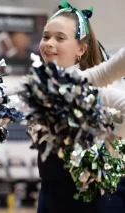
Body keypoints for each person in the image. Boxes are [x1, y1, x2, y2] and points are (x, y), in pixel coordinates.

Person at [36, 1, 125, 213]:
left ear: (81, 49)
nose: (49, 43)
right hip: (49, 195)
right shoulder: (41, 87)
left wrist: (113, 141)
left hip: (87, 199)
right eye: (45, 36)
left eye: (60, 38)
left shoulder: (86, 84)